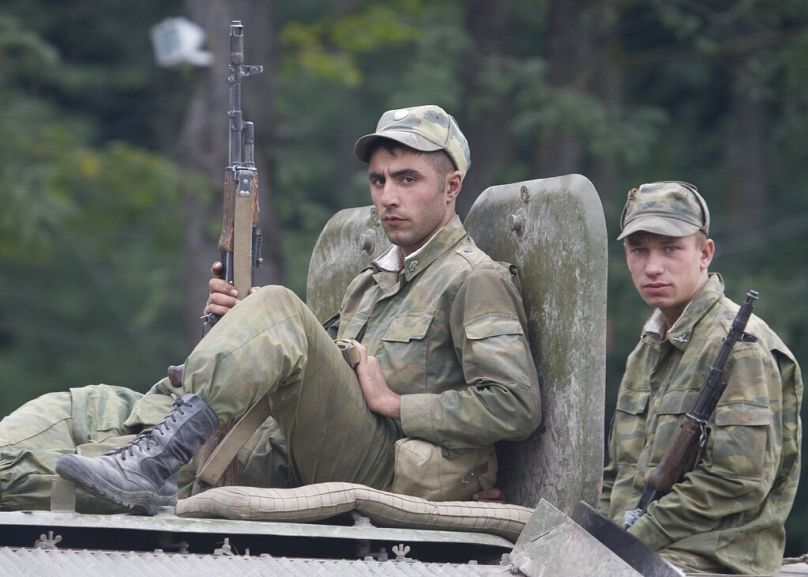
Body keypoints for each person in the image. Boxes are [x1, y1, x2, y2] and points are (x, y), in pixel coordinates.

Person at [54, 104, 541, 514]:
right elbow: (309, 370)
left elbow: (515, 406)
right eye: (378, 181)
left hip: (388, 472)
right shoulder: (369, 284)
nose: (388, 197)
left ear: (451, 186)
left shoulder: (474, 278)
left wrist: (396, 404)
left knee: (280, 305)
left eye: (407, 179)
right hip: (303, 450)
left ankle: (155, 458)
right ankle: (146, 457)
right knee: (51, 468)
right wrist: (243, 330)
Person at [599, 181, 803, 575]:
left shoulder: (740, 345)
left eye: (670, 248)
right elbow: (620, 473)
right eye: (639, 250)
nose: (652, 267)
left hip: (713, 559)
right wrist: (602, 537)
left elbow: (738, 479)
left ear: (705, 253)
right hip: (637, 552)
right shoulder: (648, 348)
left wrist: (637, 537)